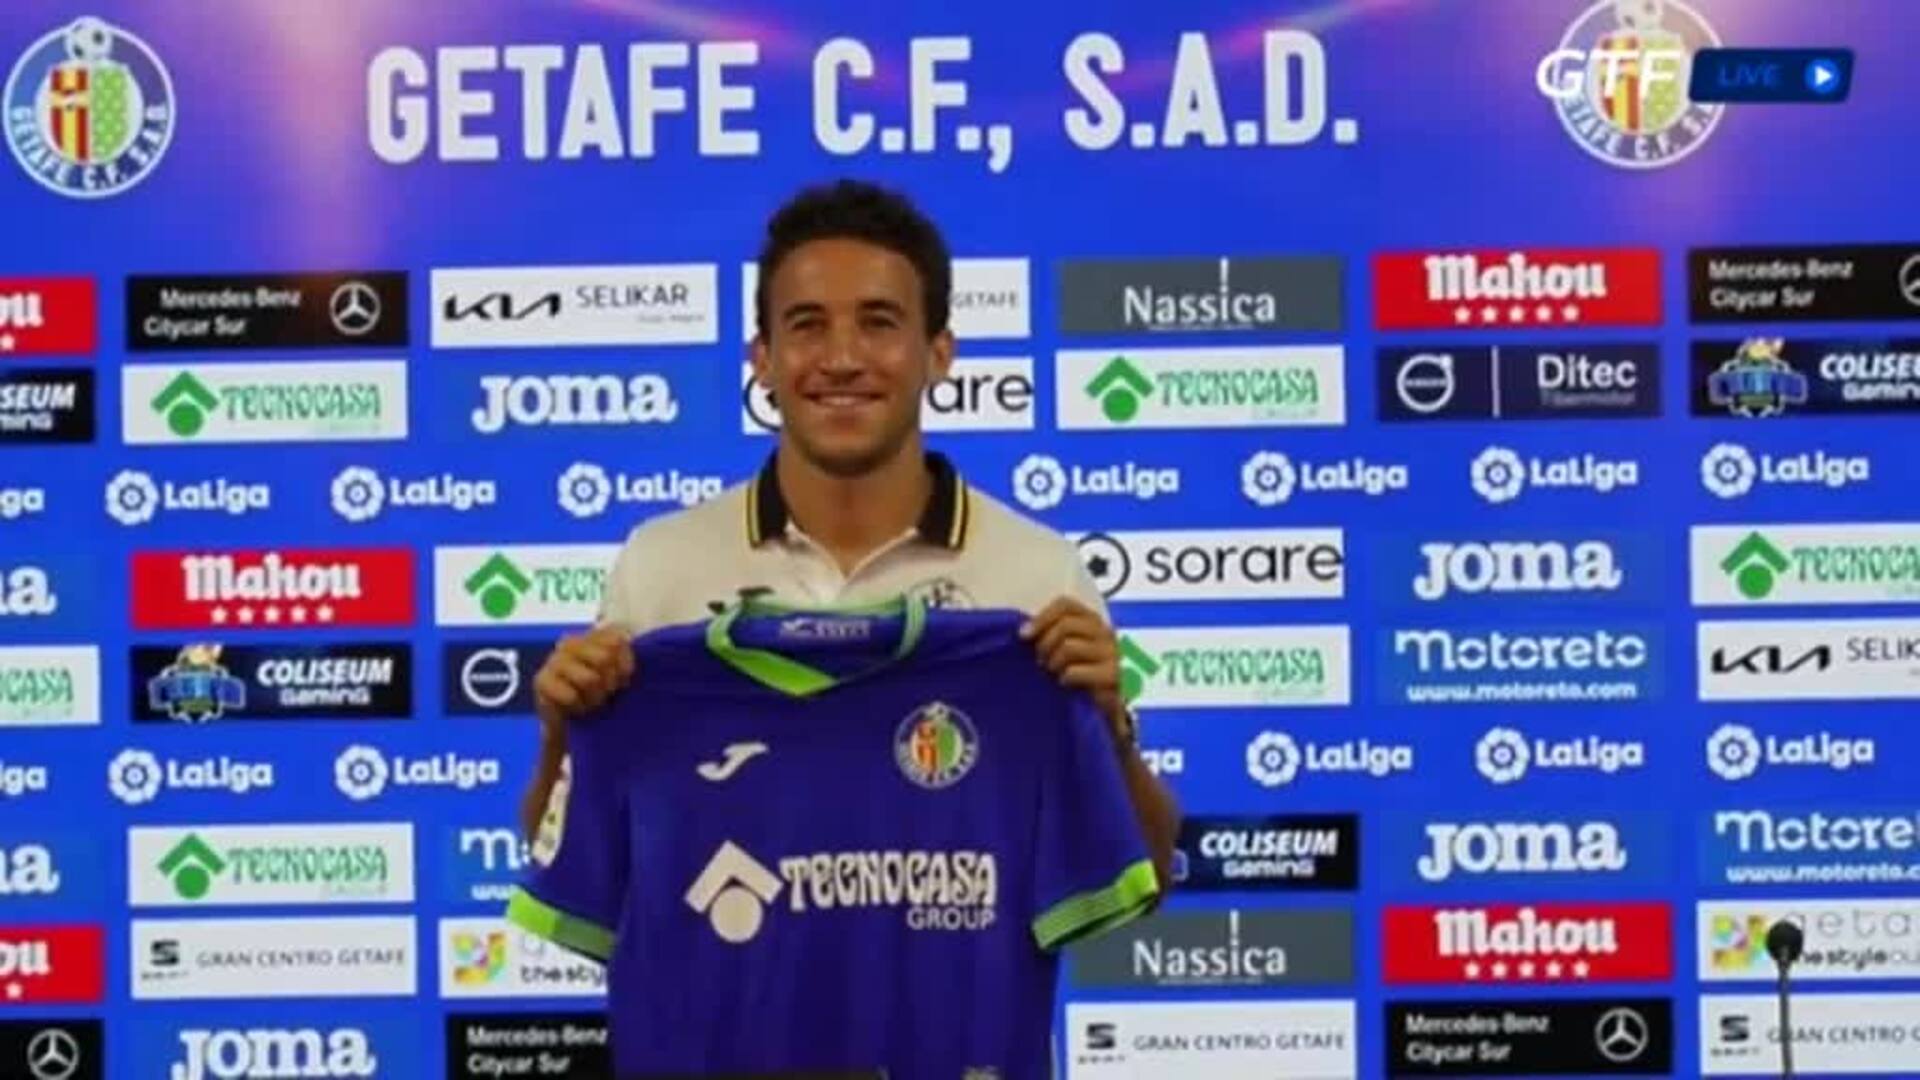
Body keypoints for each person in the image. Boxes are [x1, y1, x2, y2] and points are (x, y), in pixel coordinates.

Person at [521, 177, 1179, 899]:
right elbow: (569, 871)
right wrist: (562, 735)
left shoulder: (1038, 575)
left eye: (879, 322)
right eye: (807, 325)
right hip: (721, 973)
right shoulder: (661, 565)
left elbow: (1142, 878)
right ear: (762, 359)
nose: (841, 358)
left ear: (939, 354)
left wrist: (1110, 728)